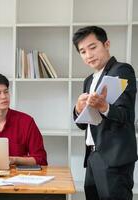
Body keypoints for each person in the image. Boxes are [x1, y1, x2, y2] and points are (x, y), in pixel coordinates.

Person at [73, 26, 137, 200]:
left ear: (106, 44)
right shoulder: (88, 80)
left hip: (114, 158)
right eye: (83, 51)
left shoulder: (121, 70)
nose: (88, 55)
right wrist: (78, 109)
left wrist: (104, 107)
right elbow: (82, 124)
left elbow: (126, 115)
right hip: (93, 156)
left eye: (93, 47)